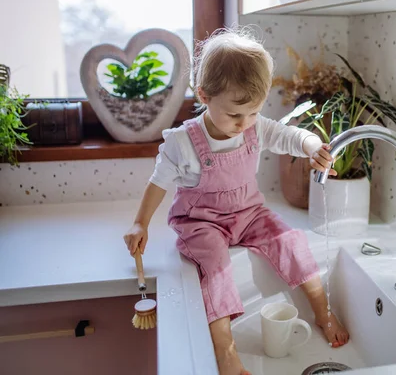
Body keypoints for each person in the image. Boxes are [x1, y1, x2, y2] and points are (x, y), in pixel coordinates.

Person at [123, 27, 349, 375]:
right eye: (235, 115)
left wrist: (312, 146)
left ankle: (323, 312)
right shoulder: (182, 143)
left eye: (254, 113)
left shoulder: (254, 128)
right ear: (204, 95)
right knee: (216, 267)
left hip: (248, 214)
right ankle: (225, 351)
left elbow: (290, 136)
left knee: (291, 240)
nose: (244, 124)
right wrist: (140, 222)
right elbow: (159, 183)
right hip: (200, 222)